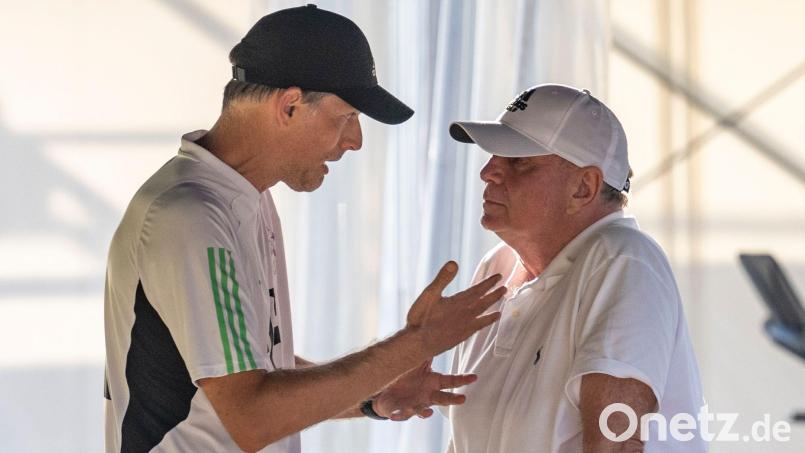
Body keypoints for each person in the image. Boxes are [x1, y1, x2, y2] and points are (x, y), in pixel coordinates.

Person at [103, 5, 505, 453]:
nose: (355, 140)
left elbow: (250, 366)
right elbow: (252, 414)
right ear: (289, 105)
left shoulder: (246, 198)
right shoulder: (191, 215)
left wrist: (372, 396)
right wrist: (417, 343)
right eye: (346, 117)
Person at [444, 84, 707, 452]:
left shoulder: (623, 259)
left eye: (519, 161)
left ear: (584, 187)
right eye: (494, 156)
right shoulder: (496, 269)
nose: (489, 171)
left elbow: (616, 443)